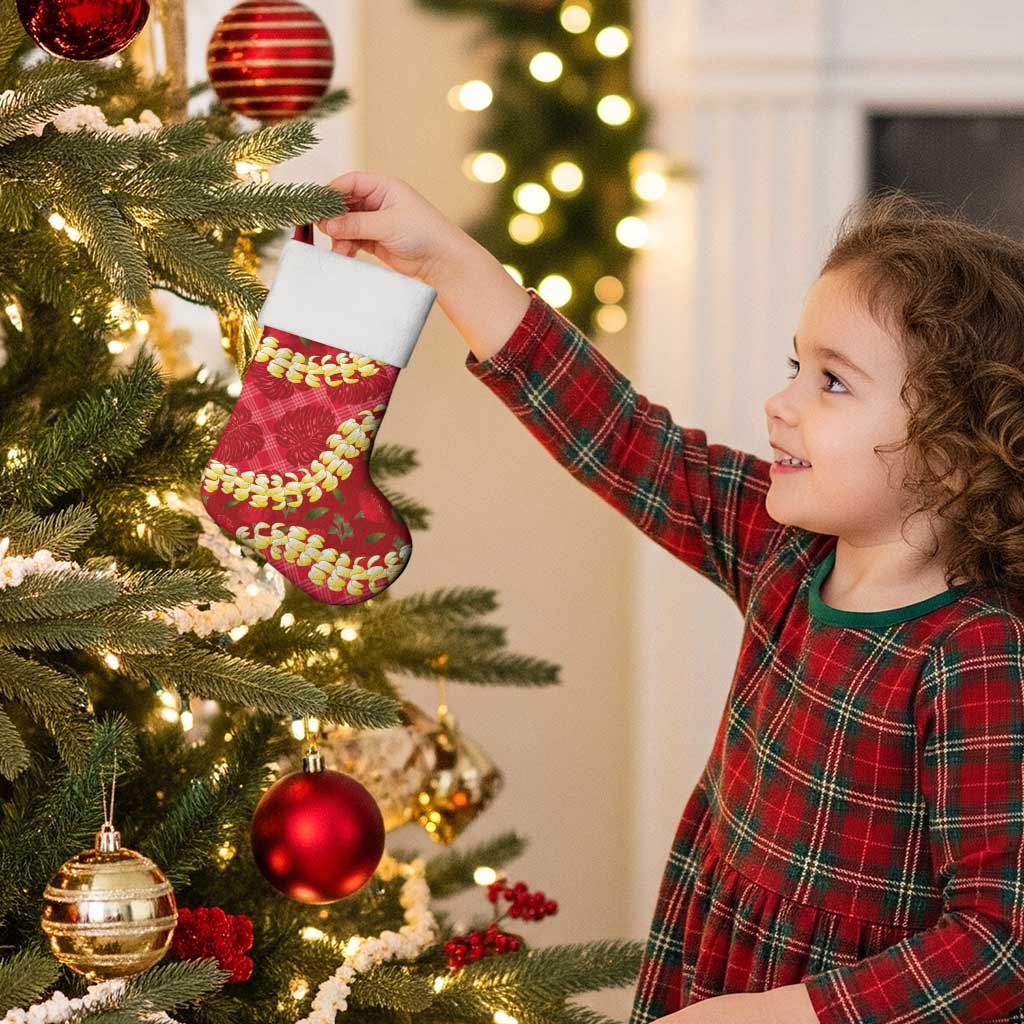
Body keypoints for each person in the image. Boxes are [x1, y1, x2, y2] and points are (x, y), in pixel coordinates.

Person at [318, 174, 1024, 1024]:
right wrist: (450, 261)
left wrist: (778, 1016)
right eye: (797, 366)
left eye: (832, 383)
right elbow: (622, 435)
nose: (782, 403)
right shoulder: (786, 552)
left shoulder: (978, 652)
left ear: (956, 453)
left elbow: (998, 942)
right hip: (716, 963)